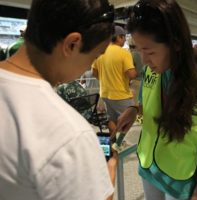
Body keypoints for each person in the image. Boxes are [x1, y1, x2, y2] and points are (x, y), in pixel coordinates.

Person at [116, 0, 197, 199]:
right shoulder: (152, 71)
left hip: (181, 180)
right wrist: (135, 110)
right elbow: (148, 103)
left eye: (150, 51)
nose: (144, 61)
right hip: (148, 167)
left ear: (176, 43)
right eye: (138, 50)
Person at [0, 0, 115, 199]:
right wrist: (108, 176)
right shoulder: (70, 135)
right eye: (94, 57)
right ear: (72, 44)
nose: (89, 67)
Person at [92, 25, 137, 135]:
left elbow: (94, 73)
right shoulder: (124, 53)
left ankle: (113, 142)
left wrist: (105, 78)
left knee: (112, 118)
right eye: (123, 37)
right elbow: (131, 74)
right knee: (130, 118)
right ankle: (121, 143)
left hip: (105, 93)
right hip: (120, 94)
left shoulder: (101, 52)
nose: (125, 40)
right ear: (119, 37)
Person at [128, 37, 144, 105]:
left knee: (135, 106)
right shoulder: (144, 53)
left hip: (136, 82)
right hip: (145, 82)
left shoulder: (131, 55)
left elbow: (131, 72)